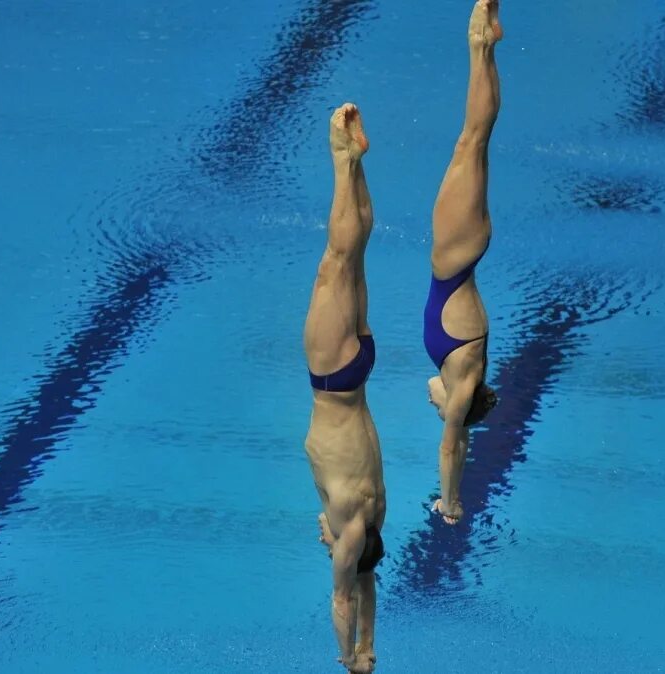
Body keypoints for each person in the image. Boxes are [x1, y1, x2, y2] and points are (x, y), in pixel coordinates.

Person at [303, 102, 385, 674]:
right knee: (336, 261)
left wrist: (370, 647)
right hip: (333, 380)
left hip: (359, 373)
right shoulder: (352, 525)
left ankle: (355, 165)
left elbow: (366, 585)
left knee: (354, 261)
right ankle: (341, 161)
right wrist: (347, 657)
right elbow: (345, 595)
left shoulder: (374, 516)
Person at [424, 0, 503, 525]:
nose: (433, 405)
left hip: (456, 255)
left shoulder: (455, 378)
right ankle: (482, 46)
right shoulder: (461, 387)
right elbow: (453, 449)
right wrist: (450, 504)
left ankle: (484, 47)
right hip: (458, 255)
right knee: (471, 141)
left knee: (469, 146)